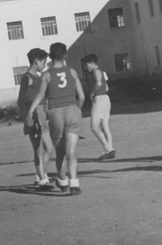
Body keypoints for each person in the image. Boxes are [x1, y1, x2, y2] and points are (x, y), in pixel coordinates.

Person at [26, 42, 85, 195]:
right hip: (72, 109)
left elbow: (40, 95)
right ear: (65, 55)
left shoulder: (46, 75)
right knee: (72, 151)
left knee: (60, 152)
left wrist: (30, 112)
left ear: (51, 56)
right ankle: (74, 183)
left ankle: (63, 181)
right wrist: (77, 109)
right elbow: (82, 96)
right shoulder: (72, 72)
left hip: (55, 113)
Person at [17, 48, 53, 189]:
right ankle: (42, 179)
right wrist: (26, 117)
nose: (45, 65)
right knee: (38, 149)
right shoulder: (27, 78)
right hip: (32, 115)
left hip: (41, 114)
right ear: (36, 61)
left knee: (49, 147)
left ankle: (40, 175)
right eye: (43, 62)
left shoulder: (40, 77)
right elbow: (21, 100)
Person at [82, 54, 115, 160]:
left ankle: (108, 149)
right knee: (104, 126)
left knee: (94, 127)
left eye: (86, 65)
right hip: (105, 98)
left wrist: (92, 93)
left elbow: (99, 83)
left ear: (92, 63)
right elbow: (107, 87)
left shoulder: (95, 71)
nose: (85, 67)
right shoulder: (100, 72)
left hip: (99, 99)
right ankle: (109, 149)